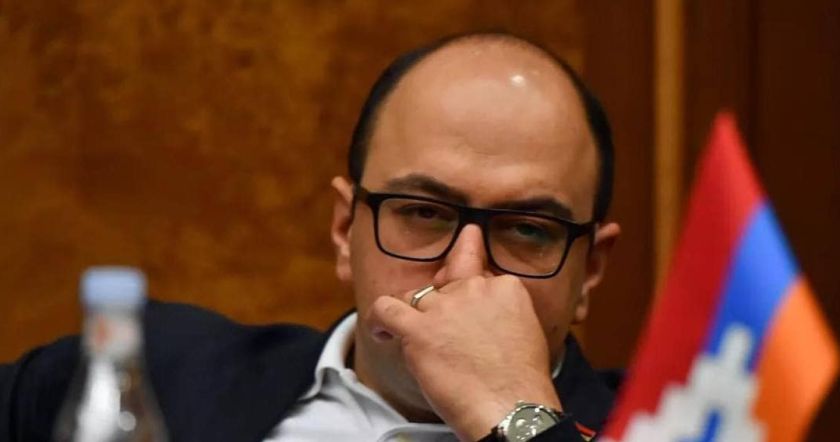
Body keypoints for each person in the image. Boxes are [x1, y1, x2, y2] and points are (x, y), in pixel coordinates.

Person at [0, 31, 622, 442]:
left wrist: (518, 417)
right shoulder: (151, 374)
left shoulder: (663, 426)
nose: (464, 272)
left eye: (527, 230)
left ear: (589, 270)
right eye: (423, 213)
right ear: (345, 230)